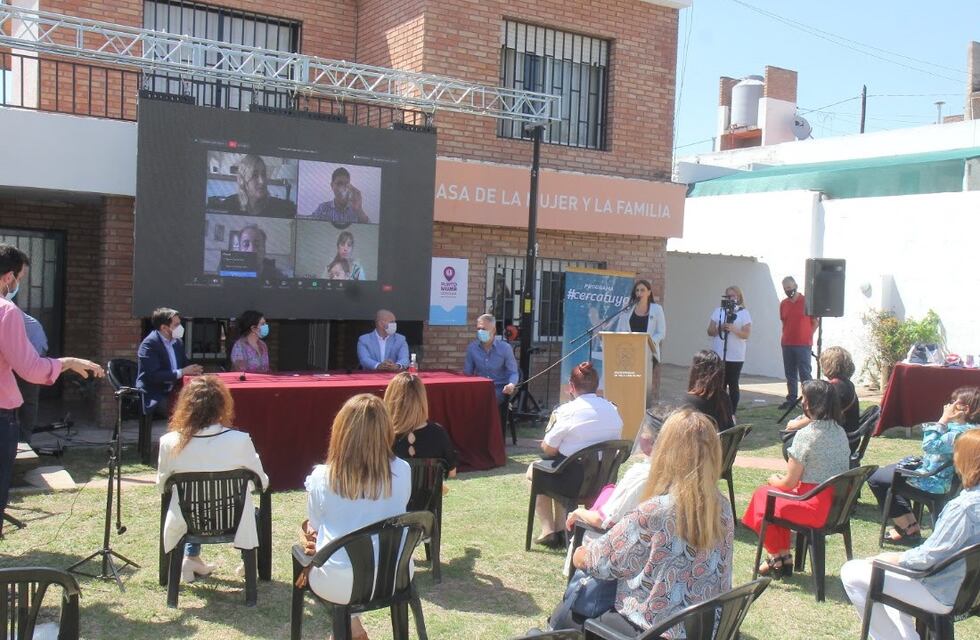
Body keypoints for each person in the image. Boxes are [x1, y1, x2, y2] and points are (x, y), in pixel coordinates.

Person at [566, 409, 733, 636]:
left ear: (666, 450)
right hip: (704, 630)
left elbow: (602, 562)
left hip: (654, 629)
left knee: (576, 611)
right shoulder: (722, 508)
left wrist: (580, 554)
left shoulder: (656, 510)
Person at [0, 244, 104, 533]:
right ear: (9, 277)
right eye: (20, 277)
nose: (18, 283)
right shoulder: (6, 312)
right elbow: (30, 369)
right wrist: (68, 362)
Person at [841, 429, 980, 640]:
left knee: (851, 571)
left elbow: (928, 558)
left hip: (944, 591)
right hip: (971, 590)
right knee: (895, 581)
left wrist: (892, 558)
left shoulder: (965, 507)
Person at [301, 394, 411, 640]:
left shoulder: (323, 477)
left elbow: (314, 526)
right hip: (394, 573)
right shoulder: (403, 470)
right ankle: (352, 628)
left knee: (317, 548)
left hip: (341, 579)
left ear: (341, 431)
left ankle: (349, 628)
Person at [157, 375, 269, 583]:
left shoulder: (168, 442)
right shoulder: (239, 440)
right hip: (232, 517)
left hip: (187, 519)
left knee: (187, 503)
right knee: (248, 509)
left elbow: (162, 485)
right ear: (222, 405)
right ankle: (247, 559)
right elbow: (261, 482)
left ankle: (191, 557)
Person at [742, 380, 850, 576]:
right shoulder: (839, 431)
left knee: (762, 495)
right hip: (836, 506)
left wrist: (772, 479)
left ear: (809, 404)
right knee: (772, 499)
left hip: (814, 507)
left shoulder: (807, 435)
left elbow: (788, 483)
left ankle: (777, 556)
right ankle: (782, 557)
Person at [866, 386, 980, 544]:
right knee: (887, 471)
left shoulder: (958, 434)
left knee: (875, 477)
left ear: (965, 409)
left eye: (953, 403)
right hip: (942, 479)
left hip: (932, 482)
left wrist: (943, 420)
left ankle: (907, 529)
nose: (948, 406)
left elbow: (929, 445)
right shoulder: (973, 430)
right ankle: (909, 526)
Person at [528, 362, 623, 548]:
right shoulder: (613, 410)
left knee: (537, 470)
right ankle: (559, 529)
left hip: (574, 483)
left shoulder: (567, 411)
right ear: (597, 386)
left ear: (571, 386)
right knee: (559, 470)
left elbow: (548, 449)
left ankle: (549, 529)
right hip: (604, 481)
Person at [384, 372, 457, 483]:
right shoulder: (438, 433)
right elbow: (452, 472)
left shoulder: (381, 434)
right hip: (429, 499)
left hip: (392, 499)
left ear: (391, 399)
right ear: (422, 400)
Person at [136, 308, 204, 419]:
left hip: (175, 390)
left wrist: (194, 370)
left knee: (204, 402)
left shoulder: (177, 342)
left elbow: (185, 365)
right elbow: (154, 375)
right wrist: (182, 372)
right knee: (188, 411)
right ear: (164, 328)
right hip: (155, 394)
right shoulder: (149, 344)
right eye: (176, 325)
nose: (180, 328)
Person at [464, 314, 518, 432]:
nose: (480, 331)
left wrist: (511, 385)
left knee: (489, 400)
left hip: (499, 389)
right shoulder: (472, 348)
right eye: (478, 329)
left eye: (484, 329)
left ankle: (491, 436)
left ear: (493, 330)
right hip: (479, 388)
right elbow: (467, 374)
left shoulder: (505, 348)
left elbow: (513, 372)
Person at [706, 285, 751, 415]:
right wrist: (720, 328)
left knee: (733, 383)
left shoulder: (744, 313)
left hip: (736, 356)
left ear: (738, 297)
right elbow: (709, 331)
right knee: (719, 384)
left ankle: (731, 413)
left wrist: (733, 329)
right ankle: (719, 412)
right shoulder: (718, 311)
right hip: (719, 354)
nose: (731, 298)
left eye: (733, 296)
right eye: (728, 296)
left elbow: (746, 334)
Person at [207, 154, 296, 218]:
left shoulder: (280, 207)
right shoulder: (229, 205)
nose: (262, 181)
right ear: (243, 180)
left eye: (263, 174)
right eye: (254, 175)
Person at [778, 276, 817, 410]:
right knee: (790, 374)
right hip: (787, 343)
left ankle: (810, 400)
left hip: (803, 344)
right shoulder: (783, 304)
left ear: (795, 285)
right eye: (785, 289)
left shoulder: (806, 301)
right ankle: (791, 399)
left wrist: (807, 336)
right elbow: (784, 322)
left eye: (789, 287)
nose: (788, 290)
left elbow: (815, 322)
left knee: (805, 373)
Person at [614, 279, 666, 367]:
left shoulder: (657, 309)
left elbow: (661, 332)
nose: (639, 293)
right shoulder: (627, 308)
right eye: (637, 290)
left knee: (644, 380)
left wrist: (649, 342)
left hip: (648, 352)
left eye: (642, 290)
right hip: (628, 352)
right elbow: (620, 328)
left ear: (649, 292)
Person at [15, 310, 48, 443]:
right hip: (19, 350)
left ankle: (24, 441)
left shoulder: (5, 310)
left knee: (28, 399)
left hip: (34, 351)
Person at [682, 350, 735, 431]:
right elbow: (730, 427)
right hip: (722, 442)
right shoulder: (724, 397)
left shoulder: (691, 400)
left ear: (695, 371)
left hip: (703, 443)